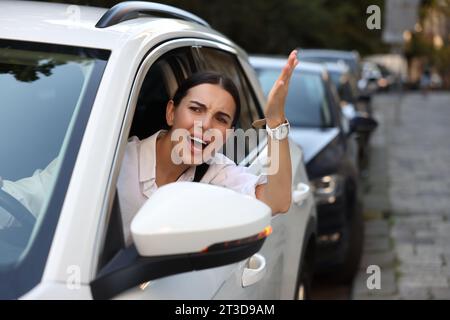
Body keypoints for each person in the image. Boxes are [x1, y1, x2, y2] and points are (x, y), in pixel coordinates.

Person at [1, 50, 299, 243]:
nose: (205, 124)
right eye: (195, 109)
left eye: (220, 119)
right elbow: (21, 201)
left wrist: (274, 121)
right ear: (171, 112)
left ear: (228, 134)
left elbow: (278, 201)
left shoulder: (217, 174)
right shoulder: (110, 161)